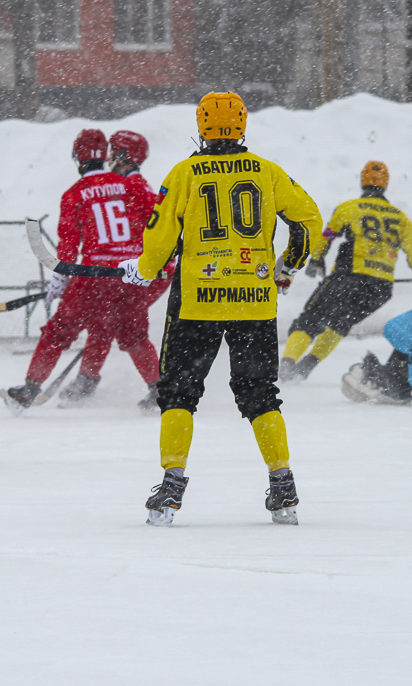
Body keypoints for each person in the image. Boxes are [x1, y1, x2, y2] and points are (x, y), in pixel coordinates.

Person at [121, 91, 323, 526]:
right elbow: (308, 220)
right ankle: (282, 482)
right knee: (259, 393)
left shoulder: (185, 174)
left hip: (198, 302)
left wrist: (143, 268)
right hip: (254, 301)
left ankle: (172, 484)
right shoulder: (268, 172)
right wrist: (287, 265)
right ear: (243, 127)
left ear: (201, 128)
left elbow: (159, 240)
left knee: (178, 391)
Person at [0, 129, 162, 412]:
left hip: (94, 275)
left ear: (77, 158)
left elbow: (68, 246)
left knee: (58, 332)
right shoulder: (128, 185)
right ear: (105, 157)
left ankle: (29, 389)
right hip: (130, 274)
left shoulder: (74, 194)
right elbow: (150, 224)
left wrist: (60, 281)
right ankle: (159, 390)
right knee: (133, 336)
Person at [280, 160, 412, 381]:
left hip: (346, 280)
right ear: (386, 184)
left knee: (309, 320)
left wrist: (316, 259)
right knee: (339, 324)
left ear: (363, 181)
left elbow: (326, 238)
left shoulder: (349, 208)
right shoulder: (401, 219)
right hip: (380, 288)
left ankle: (287, 366)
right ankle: (306, 367)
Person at [75, 129, 176, 411]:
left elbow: (156, 232)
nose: (107, 159)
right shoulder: (123, 186)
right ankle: (87, 379)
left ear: (123, 156)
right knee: (103, 322)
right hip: (140, 270)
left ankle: (159, 389)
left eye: (112, 152)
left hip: (150, 272)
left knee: (124, 326)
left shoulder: (135, 188)